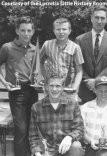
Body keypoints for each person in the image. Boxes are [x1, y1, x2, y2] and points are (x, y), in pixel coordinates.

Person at [0, 16, 38, 156]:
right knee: (21, 129)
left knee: (30, 128)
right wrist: (4, 83)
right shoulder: (7, 47)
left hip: (33, 91)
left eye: (29, 30)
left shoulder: (35, 49)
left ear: (33, 31)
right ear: (17, 30)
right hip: (17, 92)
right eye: (23, 30)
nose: (26, 34)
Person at [29, 74, 84, 156]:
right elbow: (33, 136)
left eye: (58, 86)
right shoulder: (36, 107)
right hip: (47, 150)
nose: (54, 89)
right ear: (47, 87)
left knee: (76, 146)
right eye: (51, 86)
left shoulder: (73, 104)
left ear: (62, 87)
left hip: (67, 149)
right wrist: (38, 153)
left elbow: (79, 129)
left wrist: (69, 137)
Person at [76, 6, 107, 103]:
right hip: (87, 90)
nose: (99, 21)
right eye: (96, 17)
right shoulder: (80, 40)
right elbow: (78, 65)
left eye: (102, 18)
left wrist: (96, 81)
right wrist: (89, 81)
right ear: (91, 18)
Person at [81, 76, 107, 156]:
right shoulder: (85, 108)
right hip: (91, 145)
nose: (103, 94)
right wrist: (91, 141)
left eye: (106, 91)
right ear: (95, 90)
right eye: (100, 91)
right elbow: (81, 131)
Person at [40, 17, 84, 95]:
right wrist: (45, 78)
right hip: (51, 88)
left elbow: (79, 71)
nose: (61, 32)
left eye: (64, 29)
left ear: (69, 31)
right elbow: (39, 63)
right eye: (58, 29)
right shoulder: (47, 45)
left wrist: (75, 87)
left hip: (68, 88)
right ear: (54, 31)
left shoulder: (75, 47)